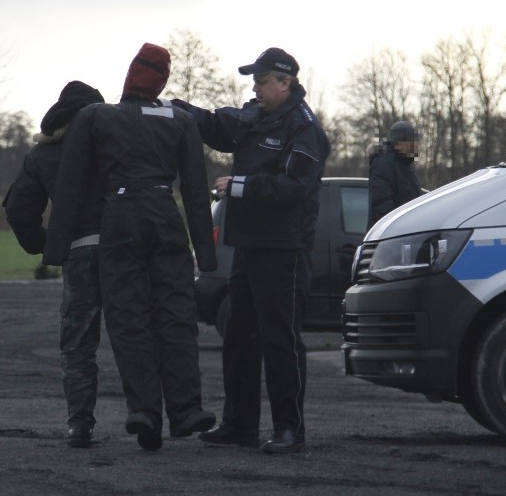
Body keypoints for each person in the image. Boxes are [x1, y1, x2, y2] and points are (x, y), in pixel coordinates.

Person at [42, 43, 218, 452]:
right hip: (164, 213)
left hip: (118, 218)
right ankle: (186, 408)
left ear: (128, 76)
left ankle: (144, 410)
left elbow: (70, 187)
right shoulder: (178, 120)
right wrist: (205, 256)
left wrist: (56, 247)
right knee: (176, 313)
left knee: (128, 317)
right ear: (162, 81)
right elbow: (193, 190)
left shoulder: (96, 117)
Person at [172, 47, 330, 454]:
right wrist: (178, 109)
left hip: (284, 250)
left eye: (262, 82)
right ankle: (239, 425)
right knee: (239, 336)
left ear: (285, 83)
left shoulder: (303, 129)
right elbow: (220, 127)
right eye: (254, 82)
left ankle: (290, 429)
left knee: (280, 339)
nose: (256, 89)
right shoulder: (257, 116)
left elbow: (296, 188)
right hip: (248, 245)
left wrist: (239, 187)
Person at [2, 80, 106, 448]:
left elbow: (18, 210)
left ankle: (80, 424)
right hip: (126, 252)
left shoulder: (42, 156)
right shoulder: (115, 146)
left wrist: (45, 246)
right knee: (135, 335)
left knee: (78, 342)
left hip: (79, 251)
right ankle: (148, 417)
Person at [367, 120, 422, 229]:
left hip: (406, 233)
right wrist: (396, 228)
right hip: (390, 235)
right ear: (398, 143)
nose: (415, 145)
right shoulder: (383, 163)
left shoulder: (406, 166)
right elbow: (382, 203)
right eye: (411, 142)